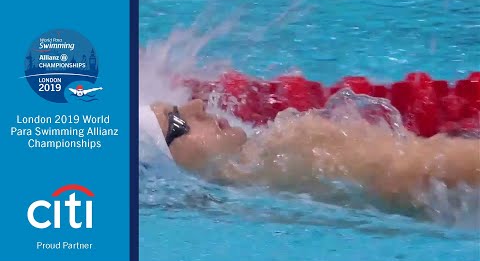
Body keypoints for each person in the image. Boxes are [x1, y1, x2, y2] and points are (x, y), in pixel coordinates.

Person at [140, 98, 480, 211]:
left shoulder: (291, 145)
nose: (196, 104)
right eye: (178, 120)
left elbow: (423, 168)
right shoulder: (258, 182)